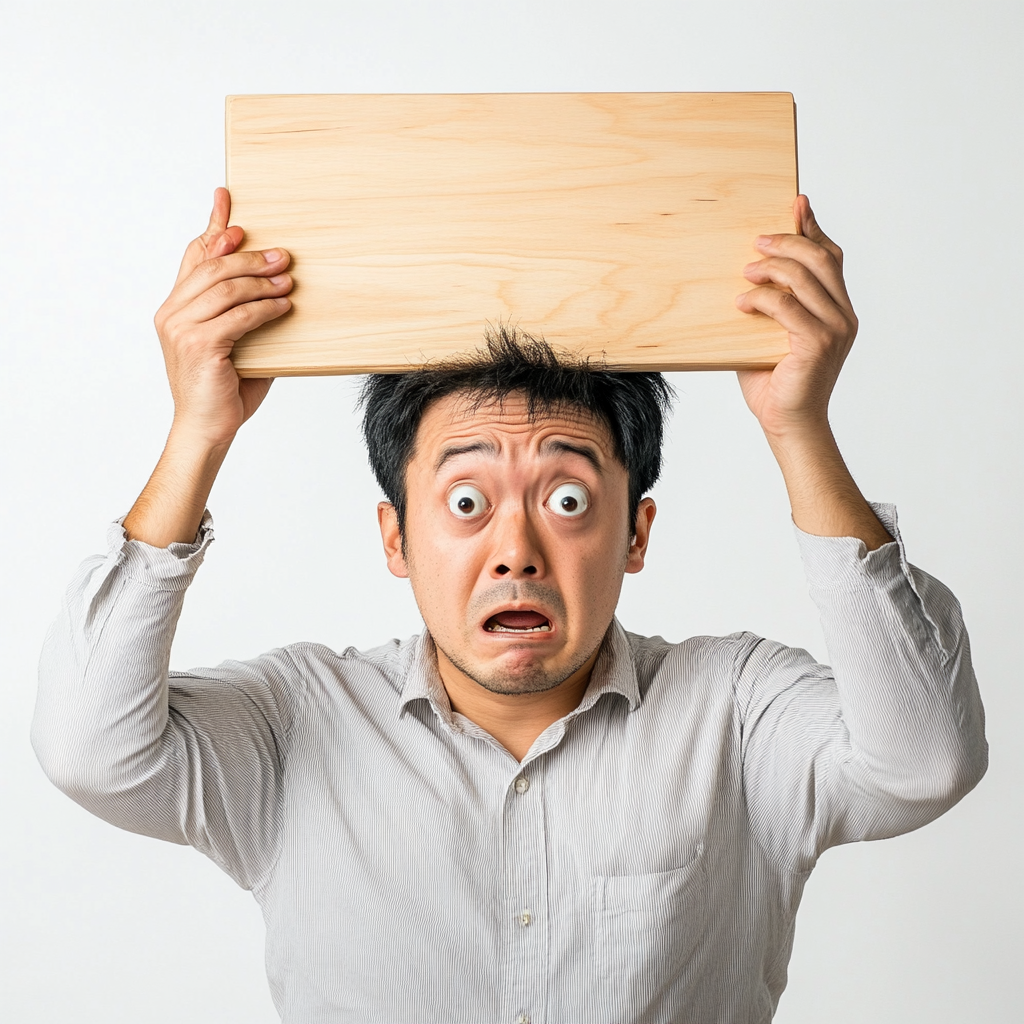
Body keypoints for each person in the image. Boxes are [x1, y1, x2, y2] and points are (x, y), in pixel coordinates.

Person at [33, 187, 987, 1024]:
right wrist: (200, 427)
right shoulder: (296, 721)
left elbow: (922, 759)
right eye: (465, 502)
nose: (516, 549)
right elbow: (91, 749)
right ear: (396, 539)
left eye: (569, 500)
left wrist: (799, 425)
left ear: (637, 534)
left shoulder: (734, 710)